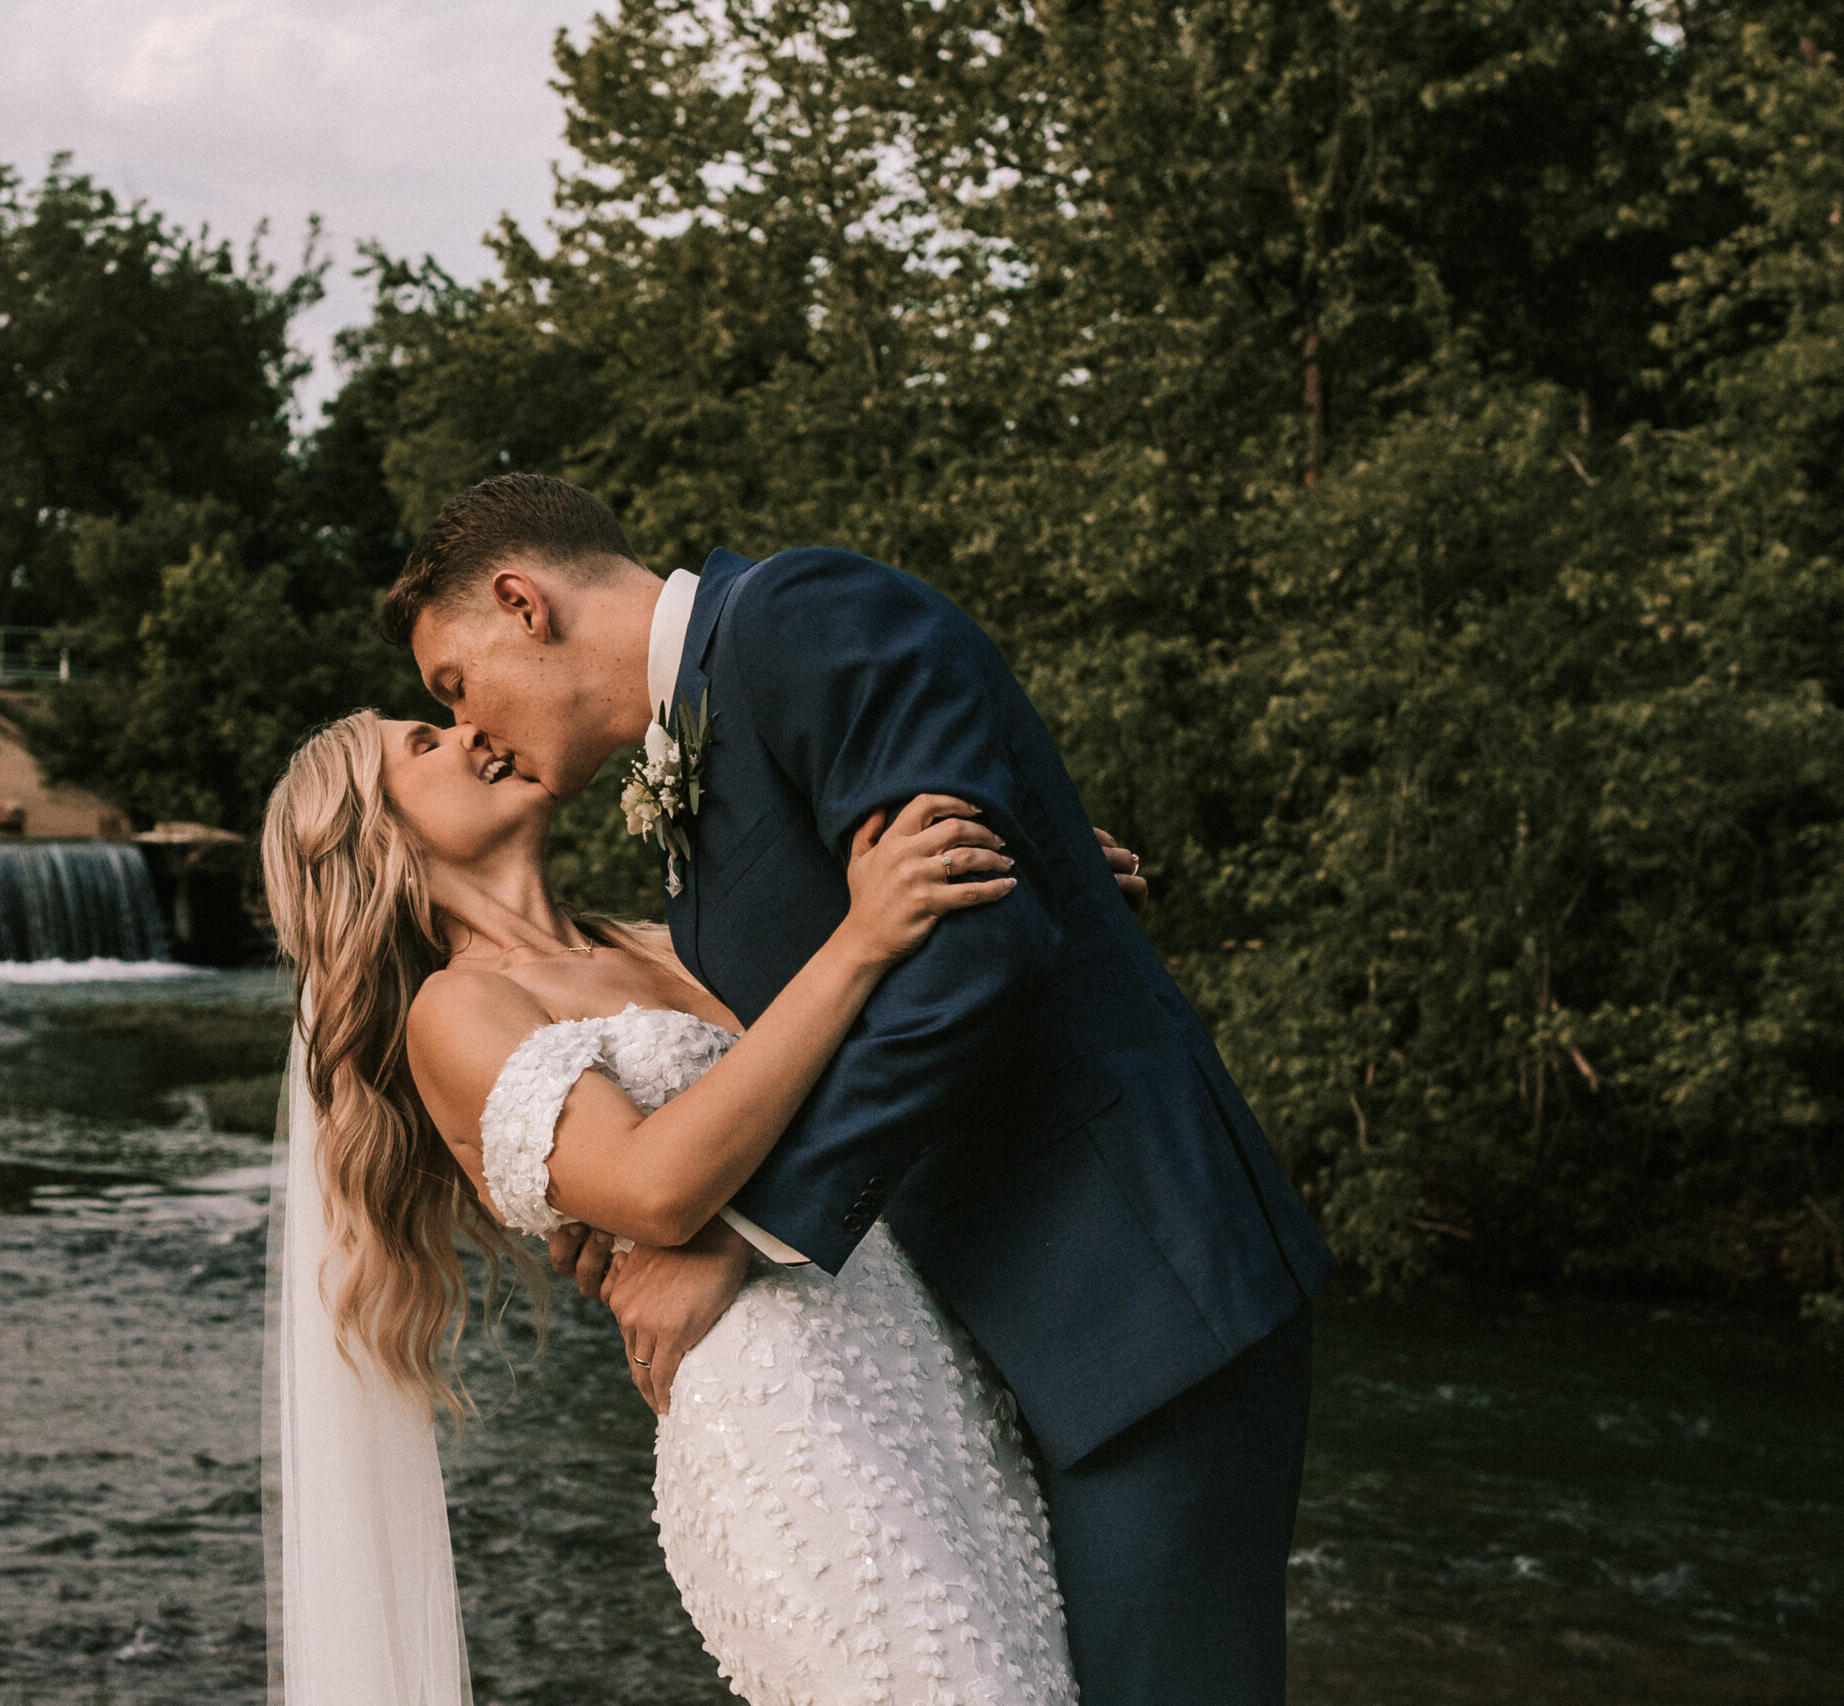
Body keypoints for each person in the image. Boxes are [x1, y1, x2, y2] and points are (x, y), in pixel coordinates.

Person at [374, 474, 1339, 1706]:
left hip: (1133, 1287)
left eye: (455, 686)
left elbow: (971, 943)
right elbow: (886, 967)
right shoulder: (683, 856)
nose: (475, 728)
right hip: (986, 1348)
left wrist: (737, 1229)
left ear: (523, 602)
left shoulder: (798, 615)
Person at [263, 705, 1119, 1702]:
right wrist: (860, 940)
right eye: (422, 742)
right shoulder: (457, 1007)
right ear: (379, 841)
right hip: (779, 1413)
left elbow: (881, 1077)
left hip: (927, 1378)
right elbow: (656, 1187)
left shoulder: (666, 943)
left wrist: (1034, 897)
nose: (471, 733)